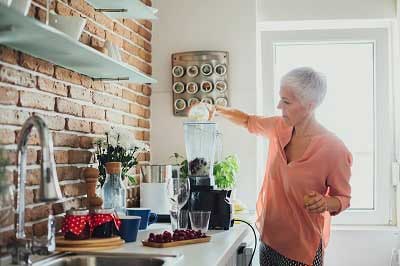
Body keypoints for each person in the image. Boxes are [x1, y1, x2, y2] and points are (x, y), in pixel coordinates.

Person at [207, 67, 352, 266]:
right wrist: (218, 110)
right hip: (269, 240)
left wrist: (326, 203)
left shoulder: (334, 149)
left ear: (309, 105)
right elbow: (248, 121)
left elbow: (343, 198)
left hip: (301, 249)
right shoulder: (279, 127)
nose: (278, 105)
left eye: (286, 101)